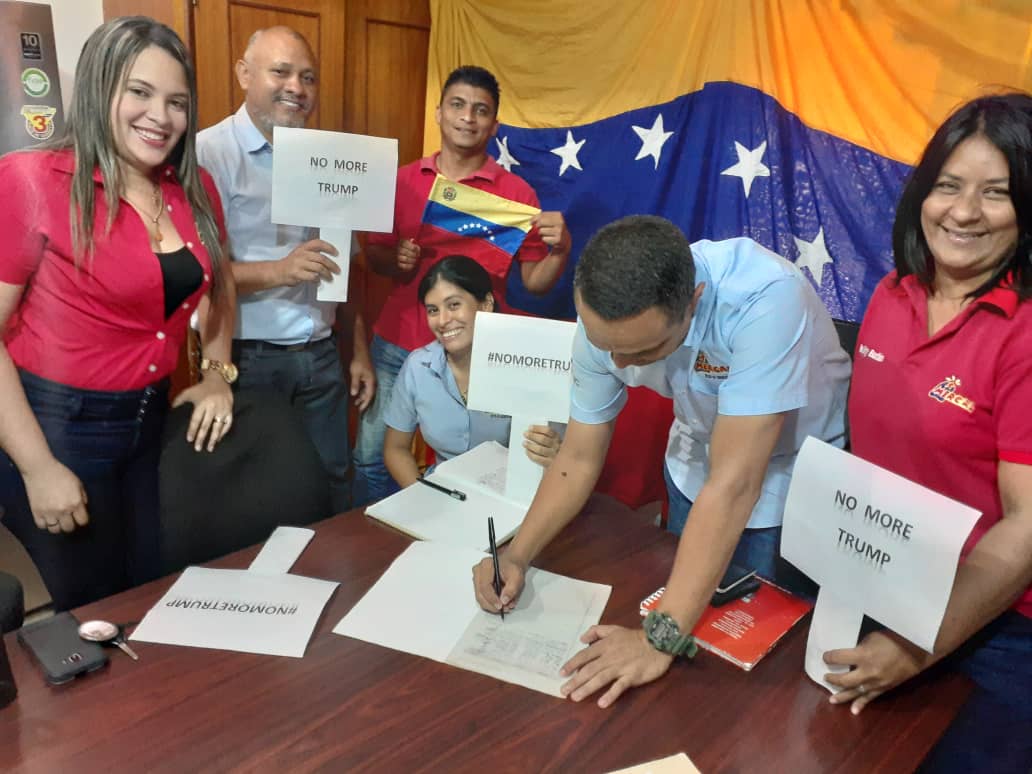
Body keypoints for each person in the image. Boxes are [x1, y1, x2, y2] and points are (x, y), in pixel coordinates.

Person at [472, 215, 851, 706]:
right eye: (607, 348)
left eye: (642, 351)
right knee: (686, 643)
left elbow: (735, 484)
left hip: (788, 474)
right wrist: (516, 553)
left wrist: (658, 639)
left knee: (748, 678)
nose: (619, 365)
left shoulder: (765, 299)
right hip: (696, 457)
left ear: (694, 302)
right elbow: (579, 456)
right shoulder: (606, 318)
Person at [824, 93, 1032, 773]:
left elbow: (1027, 526)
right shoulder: (892, 294)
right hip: (883, 593)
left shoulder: (1024, 333)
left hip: (997, 635)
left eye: (996, 192)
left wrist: (918, 641)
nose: (964, 212)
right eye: (949, 185)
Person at [0, 17, 236, 611]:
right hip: (58, 427)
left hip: (152, 419)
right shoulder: (33, 180)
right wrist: (37, 467)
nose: (161, 116)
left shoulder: (194, 188)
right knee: (96, 613)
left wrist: (217, 373)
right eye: (140, 92)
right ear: (99, 88)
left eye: (177, 102)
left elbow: (221, 286)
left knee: (152, 591)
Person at [354, 65, 571, 503]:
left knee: (481, 461)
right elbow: (372, 257)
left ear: (494, 124)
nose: (467, 117)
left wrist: (561, 250)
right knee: (370, 457)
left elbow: (535, 283)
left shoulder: (517, 194)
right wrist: (395, 260)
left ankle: (458, 525)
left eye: (480, 110)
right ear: (439, 112)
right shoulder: (401, 182)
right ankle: (382, 534)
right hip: (400, 344)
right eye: (457, 105)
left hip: (481, 353)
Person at [197, 26, 375, 514]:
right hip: (248, 359)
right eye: (281, 72)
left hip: (322, 356)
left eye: (308, 77)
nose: (296, 87)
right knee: (257, 493)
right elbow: (201, 274)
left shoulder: (331, 157)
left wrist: (359, 352)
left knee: (333, 481)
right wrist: (280, 270)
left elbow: (348, 265)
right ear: (244, 74)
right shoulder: (209, 153)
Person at [383, 256, 560, 486]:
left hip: (512, 492)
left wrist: (554, 452)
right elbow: (395, 449)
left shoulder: (527, 365)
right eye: (433, 310)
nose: (443, 320)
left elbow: (562, 454)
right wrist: (422, 494)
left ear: (486, 304)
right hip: (441, 492)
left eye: (454, 305)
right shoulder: (418, 367)